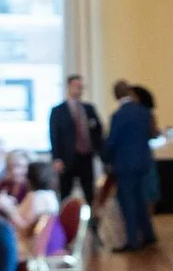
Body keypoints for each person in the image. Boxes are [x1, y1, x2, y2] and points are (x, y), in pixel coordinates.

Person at [105, 78, 159, 251]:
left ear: (116, 95)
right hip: (143, 162)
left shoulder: (118, 116)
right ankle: (148, 234)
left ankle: (133, 241)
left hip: (125, 164)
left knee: (128, 202)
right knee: (141, 200)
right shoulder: (144, 112)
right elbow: (151, 134)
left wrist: (106, 159)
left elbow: (112, 141)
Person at [48, 74, 103, 204]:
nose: (79, 90)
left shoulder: (89, 109)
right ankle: (65, 222)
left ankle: (90, 222)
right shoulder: (58, 111)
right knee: (66, 193)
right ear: (69, 87)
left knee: (89, 192)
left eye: (81, 87)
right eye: (76, 86)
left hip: (86, 157)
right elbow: (54, 135)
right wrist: (57, 158)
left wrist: (98, 150)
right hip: (67, 158)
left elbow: (98, 130)